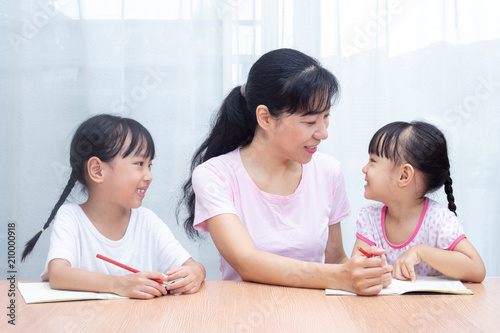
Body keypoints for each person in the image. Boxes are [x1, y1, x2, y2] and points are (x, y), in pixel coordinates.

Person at [177, 48, 392, 295]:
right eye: (310, 122)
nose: (323, 133)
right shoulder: (215, 175)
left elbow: (335, 260)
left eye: (326, 117)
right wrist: (341, 275)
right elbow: (247, 263)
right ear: (265, 118)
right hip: (242, 315)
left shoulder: (328, 171)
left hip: (315, 315)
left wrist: (367, 272)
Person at [22, 114, 206, 299]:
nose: (149, 175)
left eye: (150, 165)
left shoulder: (146, 220)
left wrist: (196, 273)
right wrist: (119, 284)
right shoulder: (71, 217)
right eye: (139, 163)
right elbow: (58, 274)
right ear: (97, 170)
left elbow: (191, 265)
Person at [353, 121, 486, 282]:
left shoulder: (439, 220)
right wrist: (368, 270)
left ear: (404, 176)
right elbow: (356, 271)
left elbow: (477, 269)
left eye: (373, 161)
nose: (364, 169)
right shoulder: (369, 217)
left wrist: (421, 252)